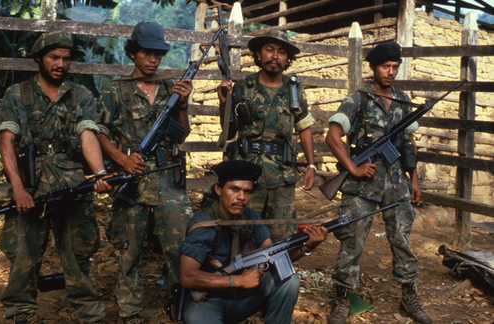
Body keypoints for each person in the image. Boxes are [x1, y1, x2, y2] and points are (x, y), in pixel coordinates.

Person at [0, 31, 112, 324]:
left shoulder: (82, 95)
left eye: (66, 58)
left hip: (71, 184)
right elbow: (7, 141)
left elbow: (89, 134)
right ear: (39, 58)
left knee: (78, 258)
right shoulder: (17, 94)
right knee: (23, 257)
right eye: (54, 57)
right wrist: (19, 188)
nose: (61, 63)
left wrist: (99, 173)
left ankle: (91, 316)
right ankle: (20, 314)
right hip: (31, 186)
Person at [324, 41, 431, 324]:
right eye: (386, 66)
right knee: (352, 242)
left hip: (396, 184)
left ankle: (409, 296)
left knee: (402, 241)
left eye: (395, 67)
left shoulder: (403, 99)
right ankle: (342, 299)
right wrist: (353, 169)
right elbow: (333, 137)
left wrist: (414, 182)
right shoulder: (357, 99)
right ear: (373, 68)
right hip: (362, 186)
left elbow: (409, 145)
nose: (391, 72)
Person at [96, 22, 193, 324]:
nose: (153, 60)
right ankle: (131, 313)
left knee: (180, 249)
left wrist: (183, 103)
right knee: (129, 252)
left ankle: (181, 306)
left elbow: (182, 134)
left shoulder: (169, 90)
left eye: (158, 54)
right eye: (147, 53)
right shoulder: (115, 91)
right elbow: (97, 132)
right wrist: (119, 160)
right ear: (133, 54)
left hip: (167, 179)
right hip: (132, 178)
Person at [178, 159, 327, 324]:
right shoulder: (204, 224)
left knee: (288, 279)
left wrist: (306, 247)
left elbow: (273, 256)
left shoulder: (251, 218)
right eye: (234, 189)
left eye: (247, 191)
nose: (241, 197)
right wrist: (237, 281)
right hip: (209, 302)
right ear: (219, 189)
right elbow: (187, 277)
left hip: (243, 299)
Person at [217, 30, 317, 241]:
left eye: (281, 52)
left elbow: (304, 127)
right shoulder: (243, 88)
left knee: (281, 232)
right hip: (246, 172)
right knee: (242, 229)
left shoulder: (294, 89)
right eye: (269, 50)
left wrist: (310, 165)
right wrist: (225, 103)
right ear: (258, 55)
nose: (275, 56)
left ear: (287, 59)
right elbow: (229, 132)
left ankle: (275, 273)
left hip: (281, 173)